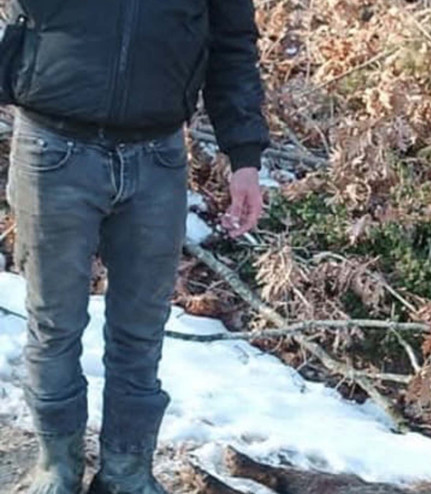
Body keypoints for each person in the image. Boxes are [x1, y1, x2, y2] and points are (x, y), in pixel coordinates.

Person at [1, 0, 269, 492]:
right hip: (52, 148)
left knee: (141, 332)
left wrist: (245, 156)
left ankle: (127, 474)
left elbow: (232, 46)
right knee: (54, 323)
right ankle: (56, 468)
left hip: (157, 157)